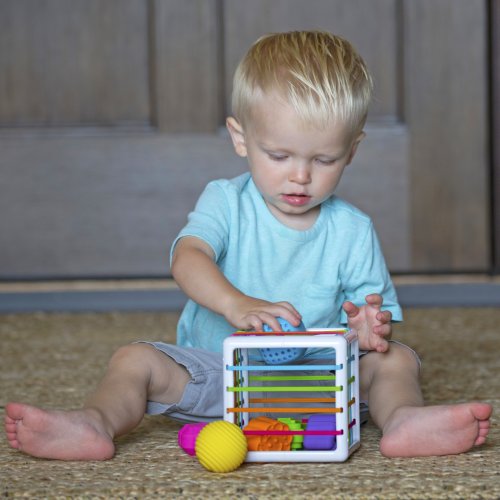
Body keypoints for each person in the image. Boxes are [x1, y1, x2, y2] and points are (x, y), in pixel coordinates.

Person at [4, 31, 491, 461]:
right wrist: (235, 304)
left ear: (352, 151)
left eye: (324, 159)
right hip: (219, 376)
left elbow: (371, 317)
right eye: (278, 155)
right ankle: (95, 423)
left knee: (397, 359)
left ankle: (403, 419)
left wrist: (367, 330)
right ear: (241, 138)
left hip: (318, 386)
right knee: (134, 360)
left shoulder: (353, 229)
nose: (300, 176)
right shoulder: (226, 201)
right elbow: (187, 258)